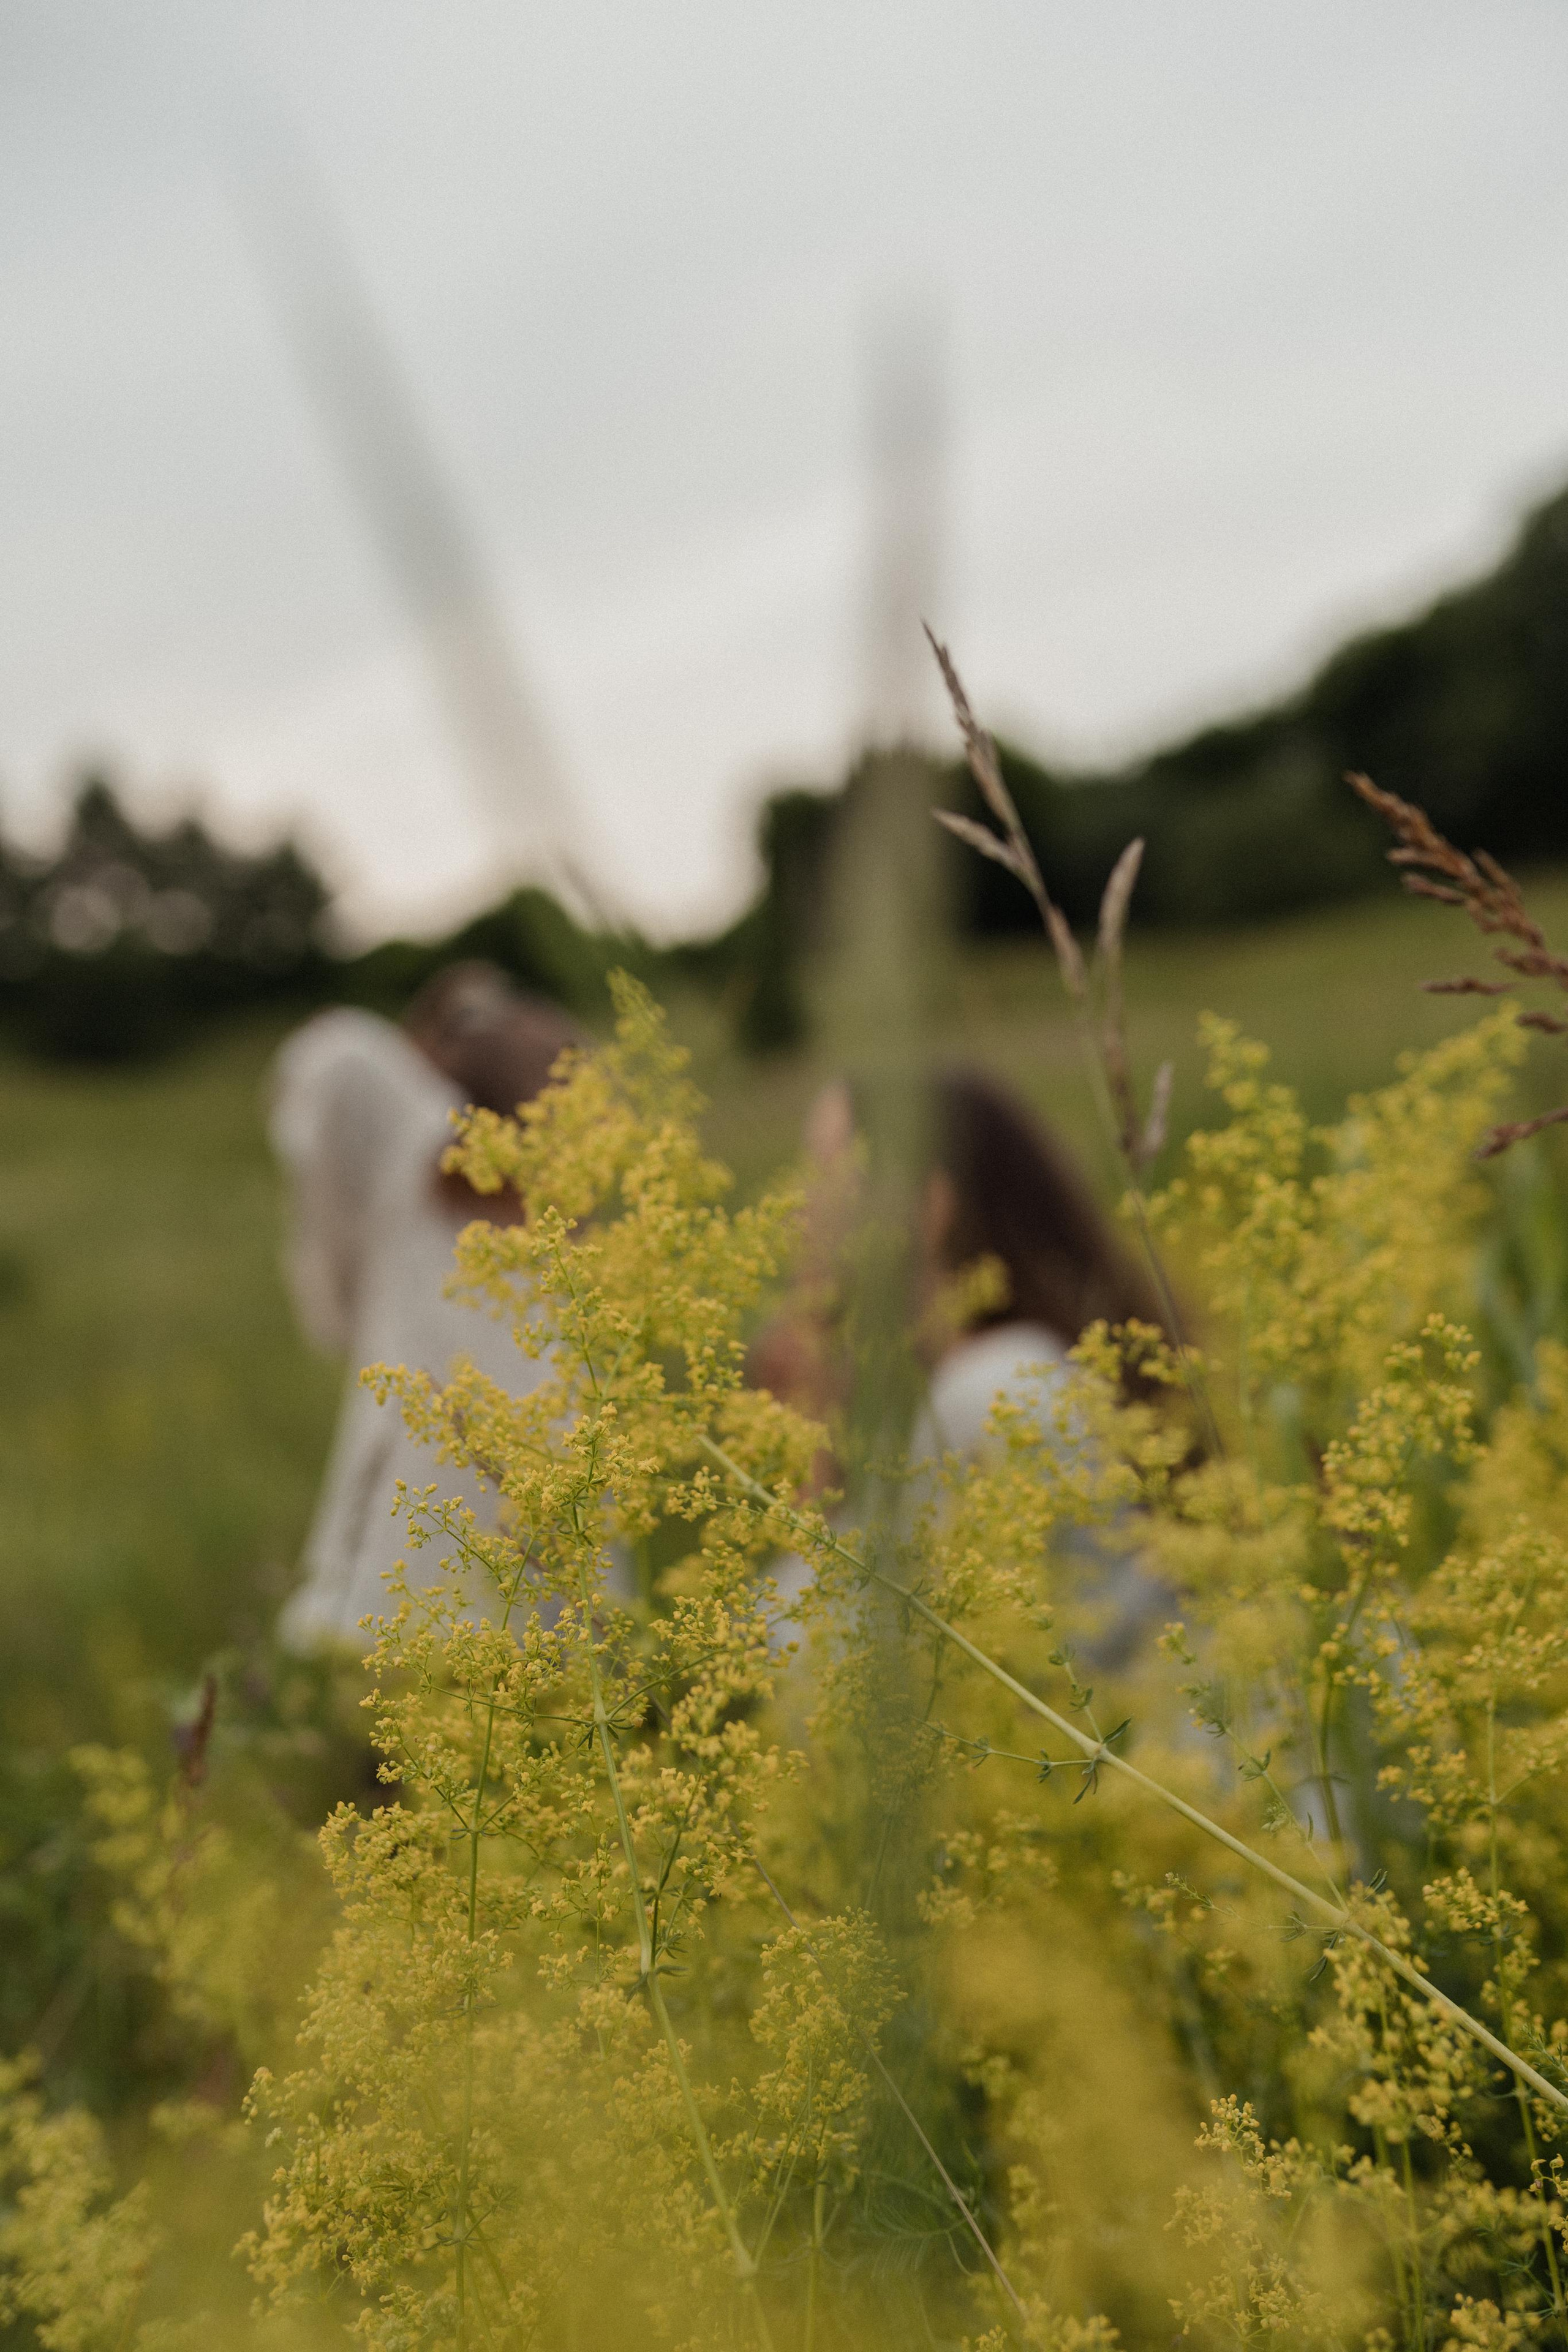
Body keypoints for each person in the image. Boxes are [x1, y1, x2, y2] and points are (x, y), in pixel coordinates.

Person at [750, 1066, 1172, 1666]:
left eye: (821, 1176)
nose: (795, 1213)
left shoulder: (993, 1395)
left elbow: (823, 1673)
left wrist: (810, 1489)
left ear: (923, 1208)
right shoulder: (1000, 1379)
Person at [270, 963, 582, 1651]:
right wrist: (461, 1036)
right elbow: (336, 1057)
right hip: (415, 1597)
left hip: (525, 1618)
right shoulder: (412, 1191)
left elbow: (334, 1057)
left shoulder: (582, 1253)